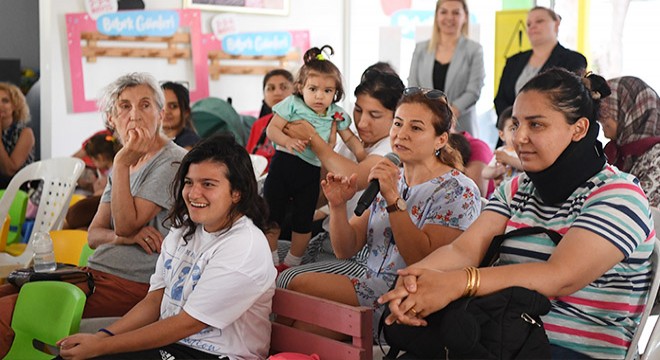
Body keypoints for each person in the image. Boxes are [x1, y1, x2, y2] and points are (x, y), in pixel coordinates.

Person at [380, 68, 654, 360]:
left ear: (579, 129)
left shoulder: (619, 195)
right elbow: (464, 249)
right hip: (502, 334)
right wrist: (415, 280)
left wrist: (460, 282)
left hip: (572, 349)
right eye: (517, 124)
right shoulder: (519, 188)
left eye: (536, 125)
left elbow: (558, 276)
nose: (519, 137)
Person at [0, 72, 187, 357]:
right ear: (112, 118)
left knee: (6, 313)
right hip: (94, 276)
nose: (134, 115)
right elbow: (94, 235)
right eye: (125, 106)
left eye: (145, 105)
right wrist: (123, 239)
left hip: (132, 286)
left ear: (161, 114)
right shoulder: (126, 163)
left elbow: (125, 224)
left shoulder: (171, 160)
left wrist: (122, 162)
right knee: (5, 293)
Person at [283, 87, 481, 340]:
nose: (401, 134)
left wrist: (393, 200)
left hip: (407, 296)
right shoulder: (390, 176)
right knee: (297, 323)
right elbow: (346, 248)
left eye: (416, 128)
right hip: (368, 285)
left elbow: (421, 258)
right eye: (398, 124)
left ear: (441, 140)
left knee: (296, 288)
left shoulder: (458, 189)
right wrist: (337, 205)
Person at [57, 134, 276, 360]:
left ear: (237, 193)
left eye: (208, 184)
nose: (193, 193)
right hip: (174, 345)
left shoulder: (243, 246)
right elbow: (154, 301)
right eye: (189, 182)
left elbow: (187, 324)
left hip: (217, 355)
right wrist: (101, 337)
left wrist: (102, 347)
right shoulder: (183, 230)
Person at [277, 67, 405, 287]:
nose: (362, 122)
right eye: (357, 110)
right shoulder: (349, 141)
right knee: (259, 255)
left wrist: (314, 139)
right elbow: (320, 197)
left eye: (374, 115)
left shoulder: (393, 150)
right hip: (324, 240)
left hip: (361, 255)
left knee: (286, 279)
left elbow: (355, 179)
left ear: (397, 117)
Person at [264, 45, 365, 272]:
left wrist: (362, 156)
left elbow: (349, 137)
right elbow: (272, 130)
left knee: (303, 219)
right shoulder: (292, 104)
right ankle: (269, 257)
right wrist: (288, 141)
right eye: (313, 89)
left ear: (336, 92)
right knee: (271, 215)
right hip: (283, 166)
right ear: (300, 87)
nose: (320, 96)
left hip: (310, 172)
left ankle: (292, 262)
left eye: (328, 91)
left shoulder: (335, 114)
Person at [408, 0, 485, 136]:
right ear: (437, 16)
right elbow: (413, 86)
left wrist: (448, 114)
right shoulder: (421, 49)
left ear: (465, 16)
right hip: (424, 126)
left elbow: (473, 91)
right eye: (444, 12)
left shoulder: (474, 50)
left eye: (456, 13)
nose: (449, 17)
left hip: (461, 128)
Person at [494, 6, 587, 118]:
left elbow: (570, 102)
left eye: (539, 21)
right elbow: (500, 99)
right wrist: (512, 124)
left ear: (556, 24)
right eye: (528, 24)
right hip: (512, 130)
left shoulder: (573, 60)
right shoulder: (513, 61)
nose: (533, 26)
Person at [600, 76, 660, 208]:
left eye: (606, 111)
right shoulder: (613, 152)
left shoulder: (657, 157)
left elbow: (637, 209)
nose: (600, 119)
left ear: (627, 110)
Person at [64, 133, 122, 229]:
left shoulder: (114, 171)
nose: (93, 163)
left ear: (101, 157)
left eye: (93, 160)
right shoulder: (105, 171)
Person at [245, 69, 295, 170]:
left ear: (295, 91)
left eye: (284, 87)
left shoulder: (302, 123)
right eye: (270, 88)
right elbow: (248, 160)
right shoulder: (259, 124)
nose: (277, 92)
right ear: (264, 95)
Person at [0, 82, 35, 189]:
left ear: (15, 105)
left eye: (5, 101)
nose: (0, 105)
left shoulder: (25, 133)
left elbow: (10, 170)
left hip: (17, 191)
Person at [482, 106, 522, 186]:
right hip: (503, 192)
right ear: (502, 135)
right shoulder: (501, 151)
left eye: (520, 128)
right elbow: (484, 173)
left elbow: (525, 166)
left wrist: (507, 159)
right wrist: (497, 171)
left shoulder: (524, 151)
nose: (517, 133)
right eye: (513, 129)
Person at [161, 81, 200, 150]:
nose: (166, 111)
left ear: (186, 112)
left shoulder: (189, 143)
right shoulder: (152, 141)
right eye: (161, 105)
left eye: (173, 106)